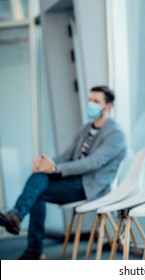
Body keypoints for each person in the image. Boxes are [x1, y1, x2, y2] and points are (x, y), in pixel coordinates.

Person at [0, 86, 127, 260]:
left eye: (96, 101)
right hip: (71, 178)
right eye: (90, 100)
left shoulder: (116, 135)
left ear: (108, 107)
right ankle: (16, 218)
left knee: (39, 191)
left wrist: (56, 168)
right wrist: (48, 162)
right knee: (38, 176)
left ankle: (32, 246)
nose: (91, 104)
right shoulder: (85, 129)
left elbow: (93, 163)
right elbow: (66, 156)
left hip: (89, 186)